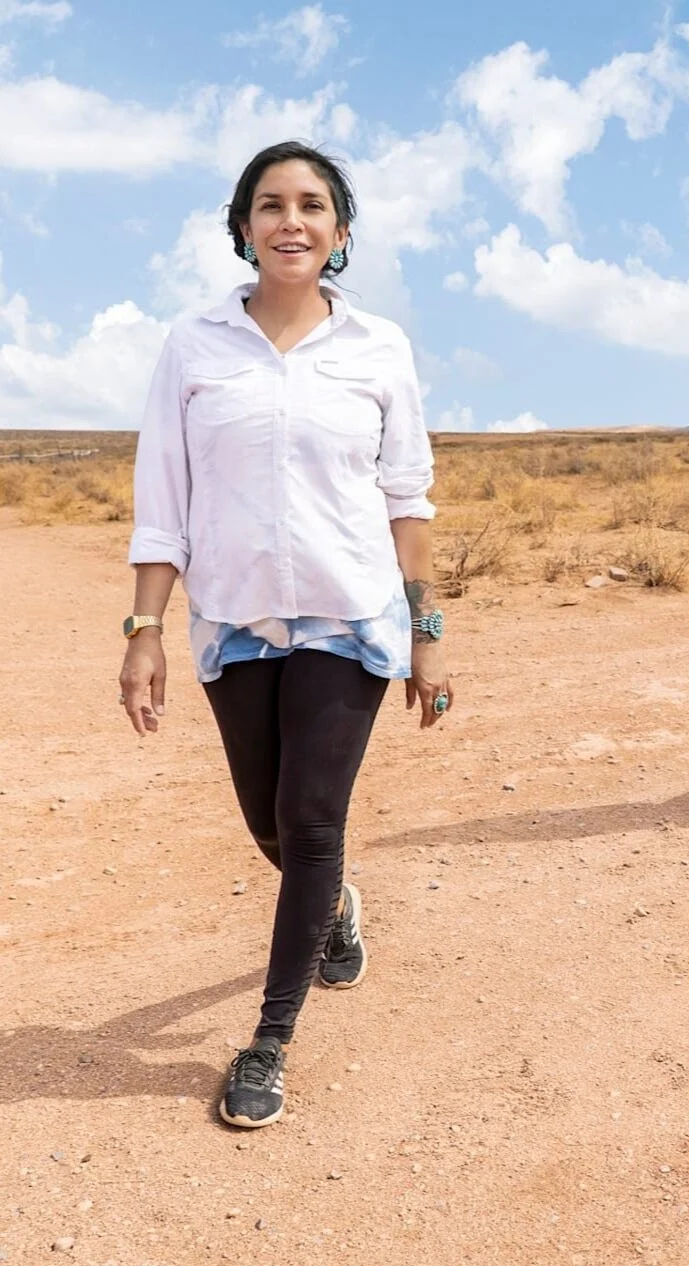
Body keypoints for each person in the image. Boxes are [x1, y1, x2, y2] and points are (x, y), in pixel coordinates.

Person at [118, 141, 451, 1128]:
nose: (291, 220)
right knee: (268, 821)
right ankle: (336, 902)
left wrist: (426, 628)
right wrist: (145, 628)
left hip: (351, 616)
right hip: (234, 622)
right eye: (271, 204)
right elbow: (161, 501)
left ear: (340, 232)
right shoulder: (193, 345)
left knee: (309, 819)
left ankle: (268, 1037)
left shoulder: (379, 349)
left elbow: (407, 498)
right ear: (244, 226)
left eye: (312, 205)